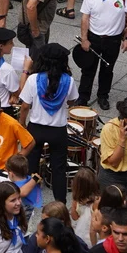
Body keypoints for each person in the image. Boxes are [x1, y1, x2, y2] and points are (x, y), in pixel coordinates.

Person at [20, 43, 78, 203]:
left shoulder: (33, 79)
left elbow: (25, 106)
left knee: (31, 165)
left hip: (36, 129)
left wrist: (22, 124)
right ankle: (60, 203)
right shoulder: (69, 81)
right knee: (59, 169)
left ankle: (27, 200)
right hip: (58, 131)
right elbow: (72, 101)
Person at [77, 0, 127, 110]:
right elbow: (85, 18)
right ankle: (83, 97)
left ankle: (103, 96)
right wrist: (84, 39)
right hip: (94, 38)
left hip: (113, 40)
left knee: (107, 69)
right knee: (88, 69)